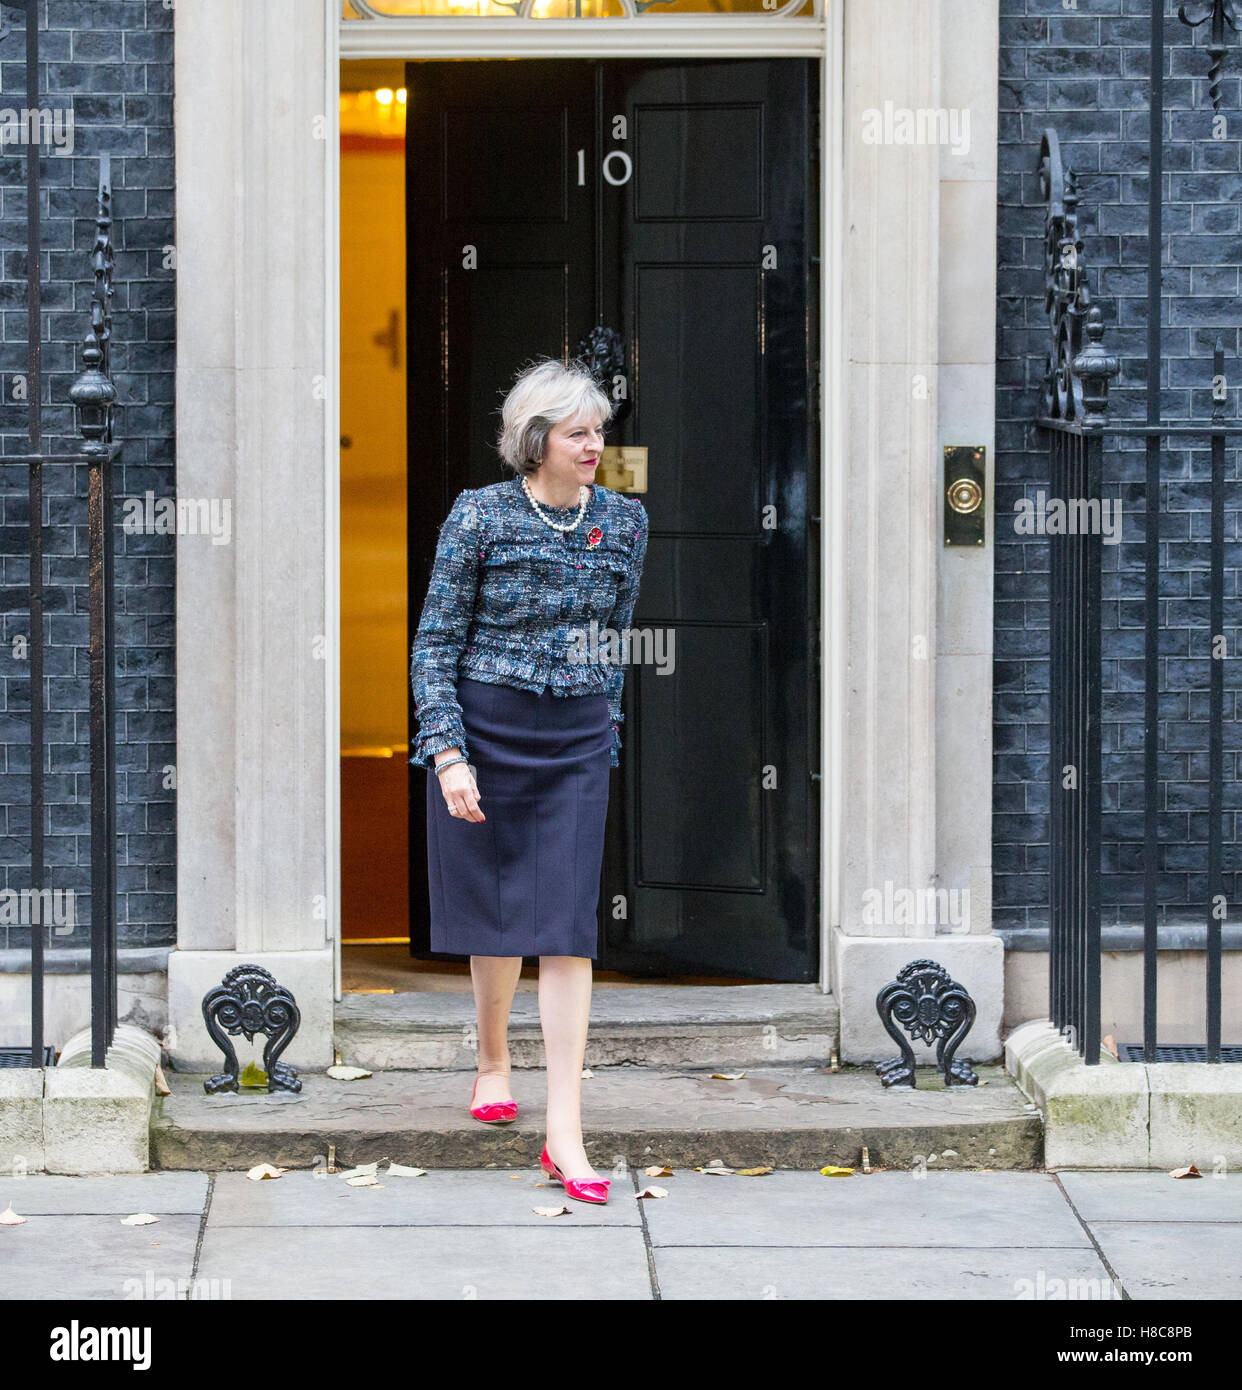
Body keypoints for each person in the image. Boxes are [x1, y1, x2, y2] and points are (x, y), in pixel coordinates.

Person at [410, 355, 649, 1205]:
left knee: (566, 925)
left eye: (599, 433)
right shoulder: (477, 519)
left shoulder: (623, 523)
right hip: (487, 729)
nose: (595, 446)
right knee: (495, 906)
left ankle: (565, 1133)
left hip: (577, 738)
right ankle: (491, 1058)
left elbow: (615, 638)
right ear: (537, 439)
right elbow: (434, 643)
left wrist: (604, 732)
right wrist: (446, 752)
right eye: (580, 434)